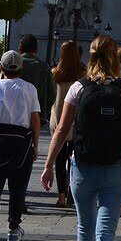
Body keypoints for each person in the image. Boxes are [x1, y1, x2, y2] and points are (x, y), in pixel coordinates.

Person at [40, 36, 121, 241]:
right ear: (115, 57)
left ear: (91, 56)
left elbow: (62, 129)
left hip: (82, 166)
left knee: (85, 228)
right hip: (116, 166)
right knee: (105, 232)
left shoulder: (79, 87)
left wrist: (48, 165)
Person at [0, 51, 41, 241]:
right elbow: (35, 119)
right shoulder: (30, 88)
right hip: (21, 141)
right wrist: (36, 145)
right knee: (18, 187)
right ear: (21, 68)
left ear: (1, 68)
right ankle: (13, 228)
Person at [49, 40, 86, 208]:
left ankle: (61, 196)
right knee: (75, 159)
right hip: (78, 122)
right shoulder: (84, 74)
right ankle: (72, 190)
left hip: (59, 120)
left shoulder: (55, 73)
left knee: (59, 158)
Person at [18, 33, 55, 123]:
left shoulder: (14, 64)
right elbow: (52, 94)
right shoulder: (44, 67)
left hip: (15, 113)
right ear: (36, 49)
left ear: (20, 48)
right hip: (37, 114)